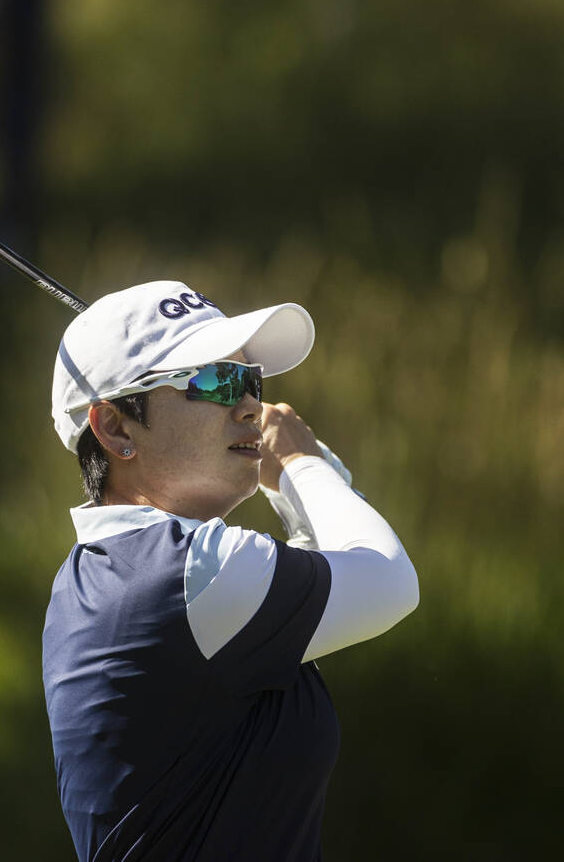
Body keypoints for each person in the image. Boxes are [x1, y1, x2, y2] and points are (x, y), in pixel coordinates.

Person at [43, 280, 419, 861]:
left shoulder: (114, 572)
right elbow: (388, 579)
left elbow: (331, 568)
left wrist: (308, 475)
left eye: (249, 380)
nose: (248, 405)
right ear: (116, 428)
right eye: (212, 380)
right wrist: (299, 463)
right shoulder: (192, 575)